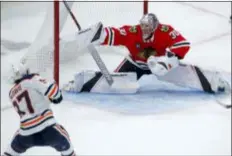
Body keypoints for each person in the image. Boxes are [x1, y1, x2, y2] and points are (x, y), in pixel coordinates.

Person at [63, 13, 230, 94]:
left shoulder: (165, 31)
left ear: (156, 26)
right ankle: (78, 83)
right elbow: (114, 34)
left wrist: (168, 60)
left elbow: (183, 44)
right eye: (143, 26)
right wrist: (98, 34)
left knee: (185, 73)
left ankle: (215, 82)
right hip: (134, 63)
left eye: (148, 27)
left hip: (158, 65)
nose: (144, 30)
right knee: (112, 83)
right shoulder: (132, 31)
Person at [3, 63, 76, 156]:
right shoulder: (31, 79)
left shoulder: (11, 94)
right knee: (68, 147)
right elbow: (55, 93)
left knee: (10, 151)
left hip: (25, 135)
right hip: (48, 130)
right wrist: (57, 96)